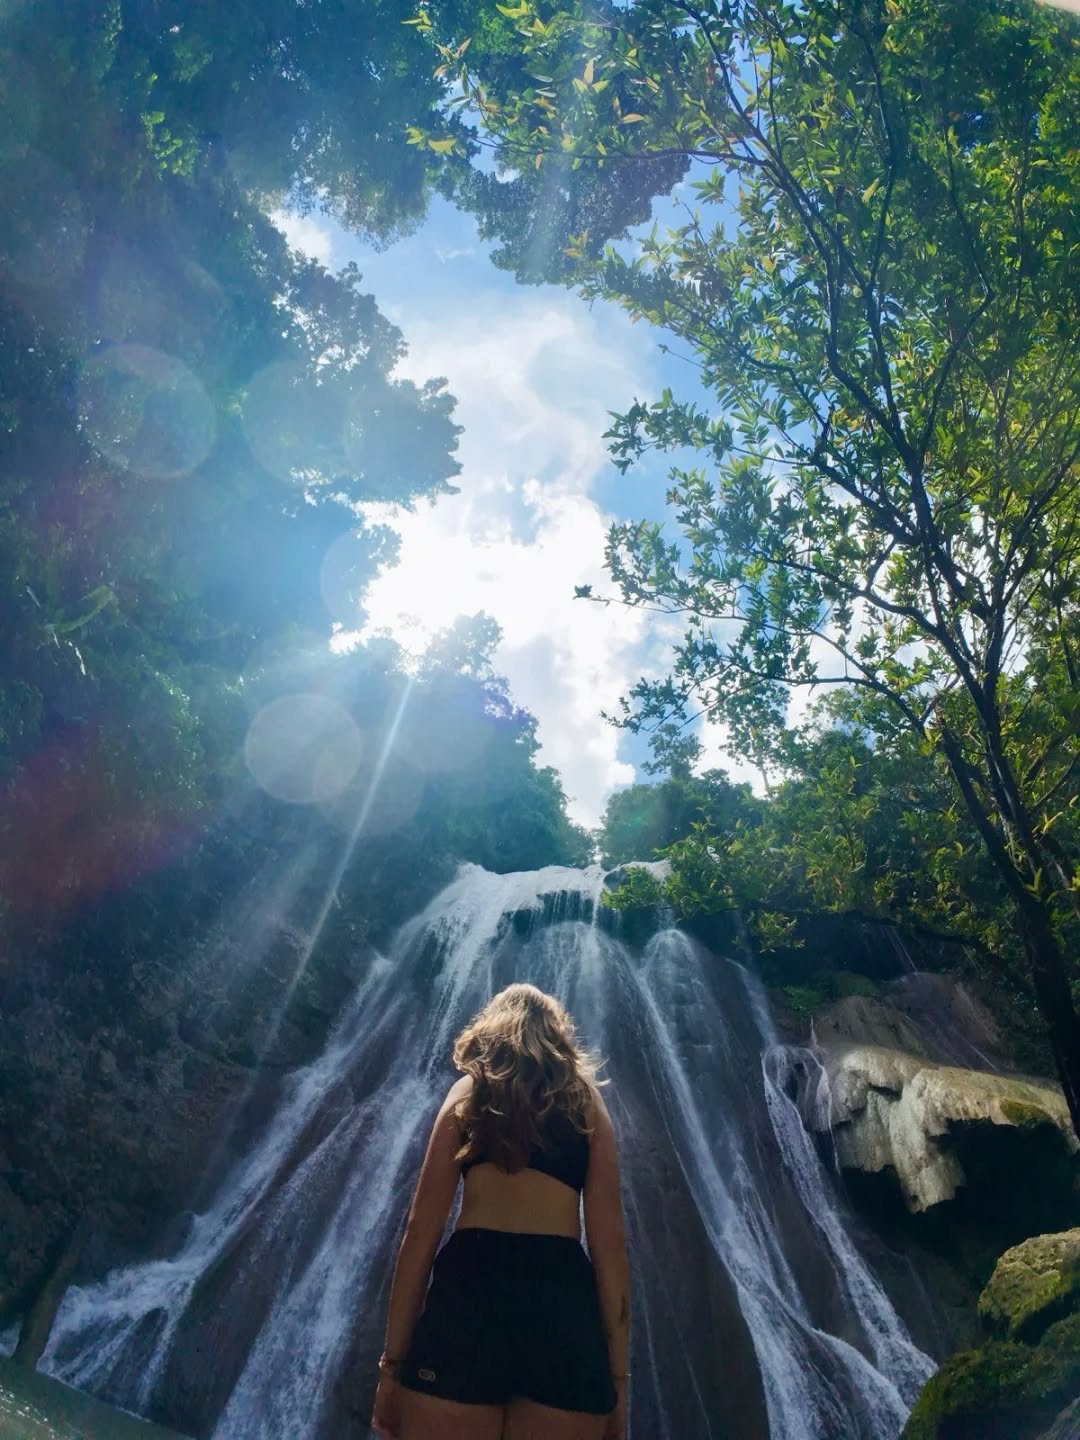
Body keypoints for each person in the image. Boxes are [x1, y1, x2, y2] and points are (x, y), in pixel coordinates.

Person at [371, 982, 630, 1440]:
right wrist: (617, 1384)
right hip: (562, 1305)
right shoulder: (587, 1101)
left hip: (469, 1293)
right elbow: (609, 1250)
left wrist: (392, 1367)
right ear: (558, 1037)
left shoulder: (467, 1093)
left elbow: (420, 1234)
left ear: (489, 1033)